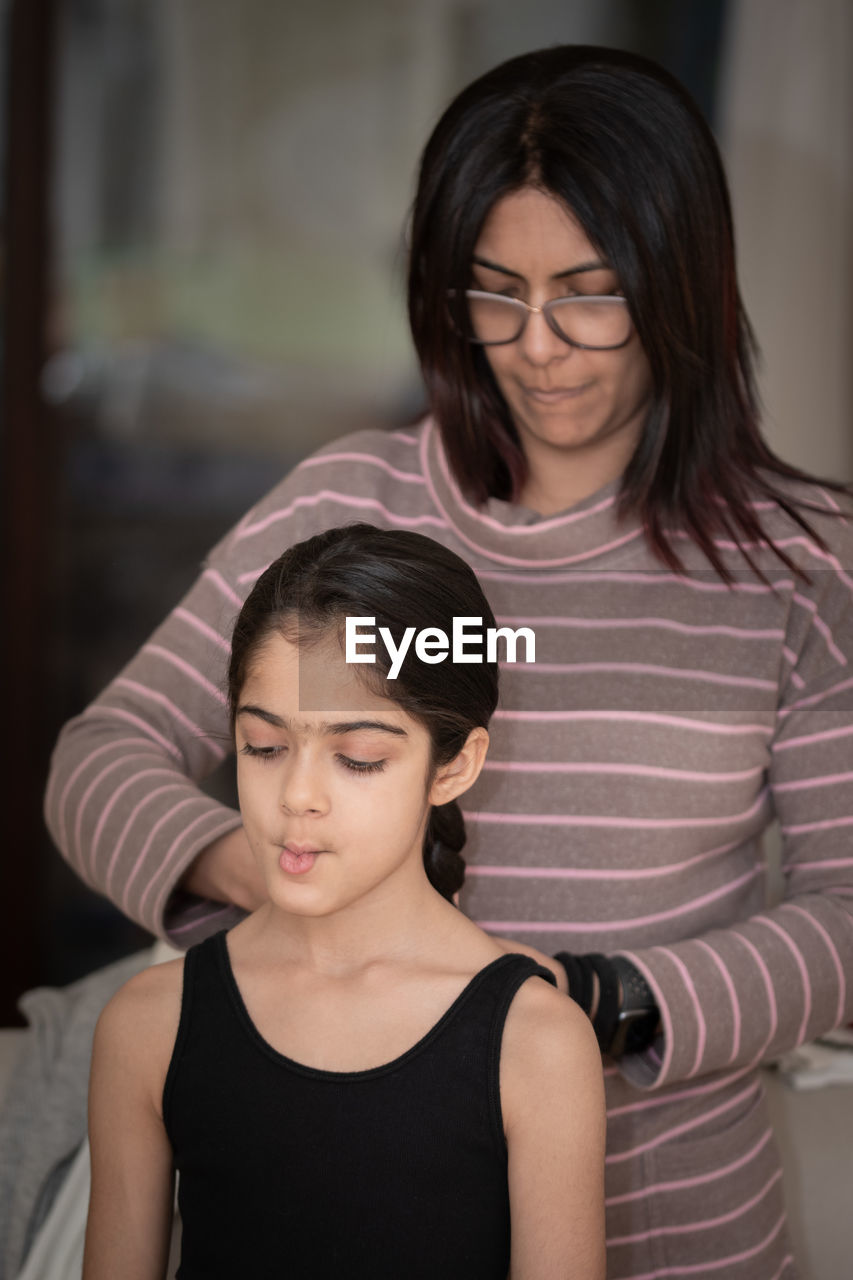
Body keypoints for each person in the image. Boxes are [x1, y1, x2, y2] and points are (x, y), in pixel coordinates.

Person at [48, 45, 853, 1279]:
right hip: (364, 1204)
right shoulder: (348, 508)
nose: (537, 347)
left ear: (681, 282)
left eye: (590, 292)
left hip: (682, 1226)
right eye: (493, 294)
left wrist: (604, 998)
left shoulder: (800, 565)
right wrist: (279, 866)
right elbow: (99, 759)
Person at [80, 524, 606, 1280]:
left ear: (454, 766)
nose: (296, 796)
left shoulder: (535, 1044)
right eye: (263, 746)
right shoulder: (147, 1025)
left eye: (357, 759)